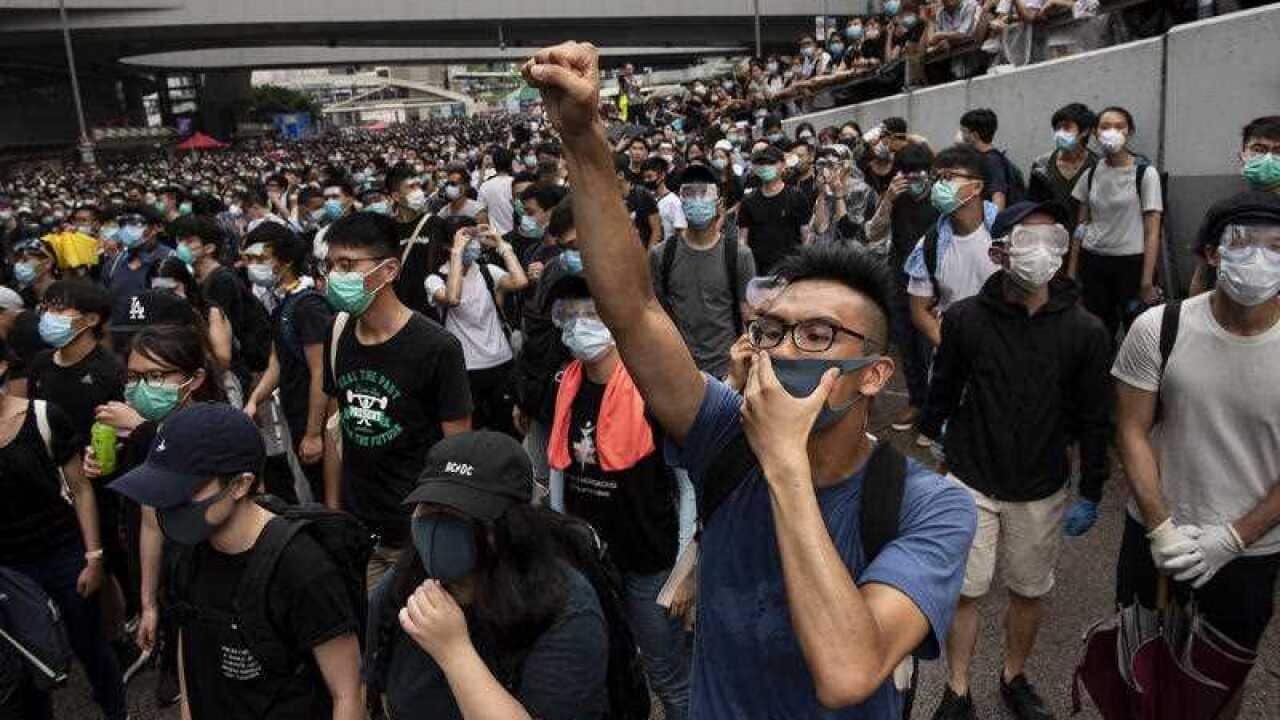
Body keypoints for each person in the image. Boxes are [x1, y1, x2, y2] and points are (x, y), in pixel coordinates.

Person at [523, 42, 976, 718]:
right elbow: (633, 311)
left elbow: (850, 672)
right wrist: (586, 140)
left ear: (875, 374)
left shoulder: (927, 507)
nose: (784, 348)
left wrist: (786, 467)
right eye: (771, 331)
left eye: (819, 335)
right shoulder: (720, 435)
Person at [921, 202, 1111, 720]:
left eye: (1055, 240)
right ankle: (957, 688)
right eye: (1030, 241)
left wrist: (1092, 488)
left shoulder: (1085, 331)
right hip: (971, 474)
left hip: (1041, 483)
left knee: (1029, 589)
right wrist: (932, 439)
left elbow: (1097, 418)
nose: (1044, 253)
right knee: (966, 589)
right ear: (1000, 252)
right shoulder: (964, 320)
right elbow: (944, 388)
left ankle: (1014, 675)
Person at [1111, 192, 1280, 720]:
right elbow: (1132, 430)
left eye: (1277, 247)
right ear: (1210, 253)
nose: (1259, 259)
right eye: (1242, 243)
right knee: (1141, 664)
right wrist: (1160, 527)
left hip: (1250, 553)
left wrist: (1233, 538)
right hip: (1154, 536)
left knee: (1220, 678)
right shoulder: (1160, 328)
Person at [108, 403, 363, 720]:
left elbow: (348, 693)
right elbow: (191, 655)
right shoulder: (189, 552)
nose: (170, 502)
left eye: (186, 489)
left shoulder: (302, 568)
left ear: (241, 484)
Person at [365, 431, 609, 719]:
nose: (436, 527)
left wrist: (455, 653)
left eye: (456, 514)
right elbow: (371, 683)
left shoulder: (566, 606)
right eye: (429, 507)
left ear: (507, 529)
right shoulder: (403, 583)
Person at [542, 265, 693, 720]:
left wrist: (685, 567)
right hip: (590, 557)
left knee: (668, 673)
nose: (578, 325)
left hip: (651, 558)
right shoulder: (565, 383)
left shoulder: (654, 385)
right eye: (568, 314)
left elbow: (689, 483)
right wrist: (561, 545)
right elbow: (557, 470)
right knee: (607, 663)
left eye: (592, 313)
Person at [321, 212, 473, 588]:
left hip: (414, 533)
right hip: (359, 529)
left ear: (389, 270)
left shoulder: (437, 348)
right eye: (329, 266)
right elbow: (337, 428)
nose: (334, 277)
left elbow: (457, 448)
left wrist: (440, 530)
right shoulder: (339, 333)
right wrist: (333, 513)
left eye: (346, 265)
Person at [0, 334, 128, 720]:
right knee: (28, 662)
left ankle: (115, 710)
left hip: (62, 552)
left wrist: (93, 556)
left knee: (90, 643)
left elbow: (80, 488)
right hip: (8, 568)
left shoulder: (42, 416)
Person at [243, 224, 334, 501]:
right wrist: (254, 400)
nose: (253, 266)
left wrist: (313, 433)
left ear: (285, 261)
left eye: (261, 259)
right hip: (293, 414)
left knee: (324, 492)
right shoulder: (282, 304)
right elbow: (277, 362)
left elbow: (321, 372)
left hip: (314, 419)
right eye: (250, 259)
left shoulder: (308, 307)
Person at [650, 164, 756, 379]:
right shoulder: (662, 255)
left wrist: (746, 370)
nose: (697, 200)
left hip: (726, 369)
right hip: (680, 369)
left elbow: (749, 315)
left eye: (705, 193)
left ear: (719, 203)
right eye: (689, 193)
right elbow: (657, 312)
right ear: (681, 200)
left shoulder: (738, 255)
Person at [426, 220, 529, 435]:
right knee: (473, 432)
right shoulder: (435, 279)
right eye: (466, 239)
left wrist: (502, 245)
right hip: (466, 369)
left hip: (501, 361)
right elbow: (453, 298)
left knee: (508, 429)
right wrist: (456, 254)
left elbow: (520, 281)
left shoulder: (486, 270)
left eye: (474, 239)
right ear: (448, 246)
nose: (473, 244)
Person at [1069, 106, 1163, 339]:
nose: (1112, 131)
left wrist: (1146, 281)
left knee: (1138, 331)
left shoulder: (1145, 173)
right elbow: (1080, 227)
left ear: (1129, 132)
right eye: (1105, 126)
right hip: (1093, 263)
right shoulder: (1090, 174)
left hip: (1131, 265)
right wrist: (1072, 272)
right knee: (1097, 331)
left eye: (1119, 126)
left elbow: (1152, 231)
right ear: (1095, 133)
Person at [865, 142, 939, 435]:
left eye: (919, 174)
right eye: (907, 174)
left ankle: (936, 412)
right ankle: (917, 401)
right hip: (900, 279)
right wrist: (888, 201)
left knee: (929, 349)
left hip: (933, 286)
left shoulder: (939, 199)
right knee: (907, 346)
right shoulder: (896, 197)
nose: (913, 180)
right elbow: (874, 233)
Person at [904, 145, 1000, 349]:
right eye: (937, 178)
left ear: (976, 187)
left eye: (948, 177)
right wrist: (952, 352)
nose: (939, 185)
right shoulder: (929, 246)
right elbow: (920, 311)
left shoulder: (1006, 233)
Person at [1189, 116, 1280, 295]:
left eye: (1278, 151)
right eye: (1259, 149)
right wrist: (1190, 320)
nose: (1269, 158)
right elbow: (1201, 276)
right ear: (1243, 156)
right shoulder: (1223, 211)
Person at [737, 145, 814, 273]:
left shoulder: (796, 196)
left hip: (791, 269)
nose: (766, 167)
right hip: (759, 270)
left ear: (783, 164)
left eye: (771, 162)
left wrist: (803, 266)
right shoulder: (748, 201)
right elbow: (743, 240)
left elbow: (806, 235)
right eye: (761, 163)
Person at [1028, 103, 1097, 236]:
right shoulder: (1041, 165)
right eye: (1057, 128)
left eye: (1066, 127)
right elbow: (1033, 207)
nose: (1060, 133)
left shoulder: (1096, 166)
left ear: (1085, 131)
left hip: (1087, 243)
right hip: (1050, 241)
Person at [102, 205, 173, 311]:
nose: (127, 229)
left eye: (135, 224)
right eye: (123, 224)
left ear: (156, 228)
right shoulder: (114, 262)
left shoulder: (171, 260)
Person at [958, 109, 1015, 210]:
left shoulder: (992, 161)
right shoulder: (985, 158)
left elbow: (998, 197)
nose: (961, 136)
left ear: (974, 135)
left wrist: (994, 224)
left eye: (964, 131)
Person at [617, 156, 663, 248]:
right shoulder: (608, 197)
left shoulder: (643, 195)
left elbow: (656, 230)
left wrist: (648, 256)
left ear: (621, 175)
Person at [641, 156, 687, 243]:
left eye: (649, 177)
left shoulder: (674, 202)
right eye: (644, 178)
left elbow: (681, 233)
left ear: (662, 175)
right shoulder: (645, 199)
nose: (646, 181)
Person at [478, 147, 517, 236]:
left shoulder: (485, 186)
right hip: (518, 237)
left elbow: (481, 215)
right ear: (511, 164)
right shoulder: (517, 184)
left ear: (494, 164)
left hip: (496, 238)